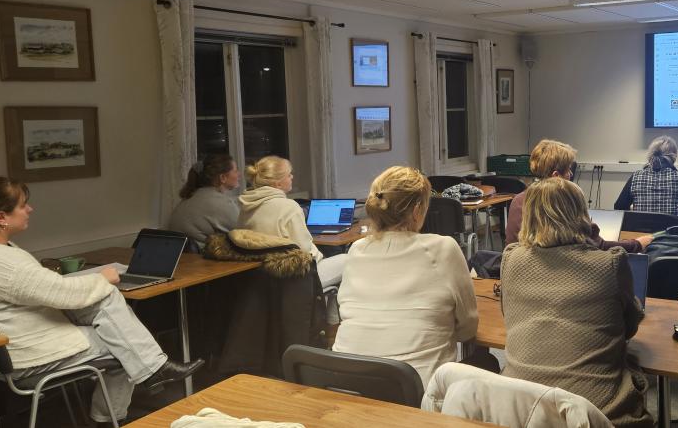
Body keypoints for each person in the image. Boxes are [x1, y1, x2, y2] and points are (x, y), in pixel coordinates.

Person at [0, 177, 203, 426]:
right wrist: (103, 278)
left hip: (5, 350)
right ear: (1, 218)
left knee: (111, 313)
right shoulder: (4, 262)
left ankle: (154, 367)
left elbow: (39, 289)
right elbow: (62, 294)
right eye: (23, 205)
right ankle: (111, 416)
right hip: (28, 357)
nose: (30, 209)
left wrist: (93, 284)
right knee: (125, 345)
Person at [500, 178, 653, 428]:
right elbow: (630, 327)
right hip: (597, 414)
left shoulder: (511, 260)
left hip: (521, 410)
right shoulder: (610, 263)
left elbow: (509, 315)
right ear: (581, 214)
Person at [332, 166, 479, 386]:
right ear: (417, 210)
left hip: (346, 382)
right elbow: (468, 328)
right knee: (485, 364)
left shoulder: (357, 249)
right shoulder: (443, 248)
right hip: (416, 391)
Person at [505, 139, 652, 252]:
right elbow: (597, 246)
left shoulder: (518, 200)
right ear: (556, 176)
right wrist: (637, 244)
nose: (571, 174)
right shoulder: (564, 203)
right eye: (568, 170)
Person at [237, 155, 346, 288]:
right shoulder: (289, 207)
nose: (292, 177)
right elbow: (305, 252)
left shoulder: (245, 207)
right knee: (348, 259)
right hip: (296, 277)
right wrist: (320, 256)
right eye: (289, 175)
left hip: (261, 280)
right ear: (278, 184)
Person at [614, 135, 678, 218]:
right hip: (671, 230)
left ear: (651, 154)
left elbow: (619, 207)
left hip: (640, 229)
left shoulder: (636, 177)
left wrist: (635, 210)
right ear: (674, 157)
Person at [167, 153, 240, 248]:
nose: (238, 174)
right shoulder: (220, 203)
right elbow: (245, 234)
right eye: (235, 171)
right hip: (199, 256)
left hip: (180, 255)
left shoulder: (191, 196)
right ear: (223, 178)